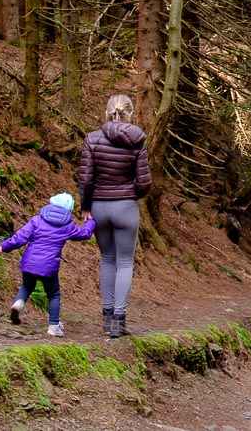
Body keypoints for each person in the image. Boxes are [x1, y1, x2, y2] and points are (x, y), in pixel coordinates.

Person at [79, 93, 151, 338]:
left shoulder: (92, 139)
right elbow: (144, 184)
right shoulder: (137, 141)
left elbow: (86, 179)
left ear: (107, 110)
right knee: (125, 263)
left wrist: (85, 206)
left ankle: (107, 319)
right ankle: (119, 322)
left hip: (99, 205)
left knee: (107, 259)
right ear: (130, 113)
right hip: (125, 207)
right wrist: (128, 193)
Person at [0, 192, 95, 337]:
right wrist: (91, 221)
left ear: (51, 204)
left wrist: (4, 246)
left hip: (30, 262)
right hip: (49, 266)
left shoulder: (37, 220)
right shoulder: (68, 226)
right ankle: (53, 326)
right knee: (54, 295)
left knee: (27, 285)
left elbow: (21, 237)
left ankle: (18, 303)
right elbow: (85, 234)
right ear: (68, 210)